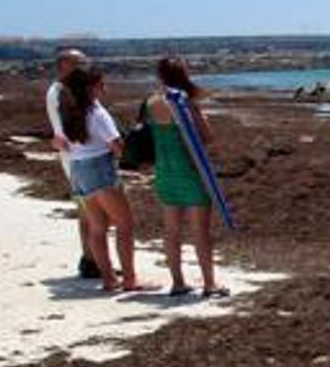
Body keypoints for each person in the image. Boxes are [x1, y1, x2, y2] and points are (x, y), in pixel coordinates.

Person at [58, 67, 149, 293]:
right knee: (124, 226)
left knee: (97, 227)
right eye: (101, 85)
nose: (105, 88)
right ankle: (129, 278)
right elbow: (117, 146)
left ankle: (109, 278)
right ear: (90, 88)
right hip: (99, 168)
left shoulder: (69, 112)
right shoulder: (97, 113)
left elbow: (62, 142)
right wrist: (137, 160)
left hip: (78, 169)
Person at [145, 56, 227, 298]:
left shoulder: (151, 102)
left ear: (160, 76)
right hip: (190, 171)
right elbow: (206, 137)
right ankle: (209, 284)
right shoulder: (183, 102)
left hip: (165, 170)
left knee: (171, 230)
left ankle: (178, 282)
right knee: (200, 231)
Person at [46, 48, 101, 279]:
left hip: (75, 158)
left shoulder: (62, 91)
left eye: (84, 61)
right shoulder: (61, 91)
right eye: (78, 62)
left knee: (86, 211)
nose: (84, 65)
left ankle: (90, 258)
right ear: (64, 65)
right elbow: (66, 130)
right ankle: (91, 260)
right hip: (79, 158)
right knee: (90, 211)